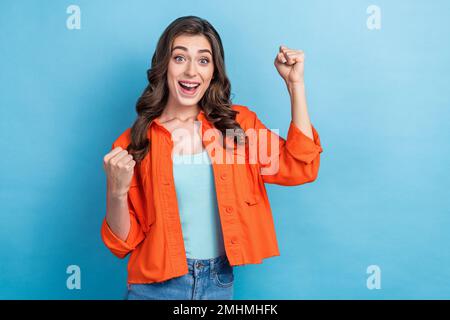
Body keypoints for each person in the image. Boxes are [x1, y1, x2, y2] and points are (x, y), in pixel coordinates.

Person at [101, 15, 323, 300]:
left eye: (203, 60)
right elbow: (122, 243)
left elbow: (300, 165)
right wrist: (116, 192)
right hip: (153, 288)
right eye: (179, 58)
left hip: (218, 284)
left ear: (214, 71)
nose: (191, 71)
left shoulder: (238, 126)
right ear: (163, 66)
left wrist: (295, 86)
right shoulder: (135, 143)